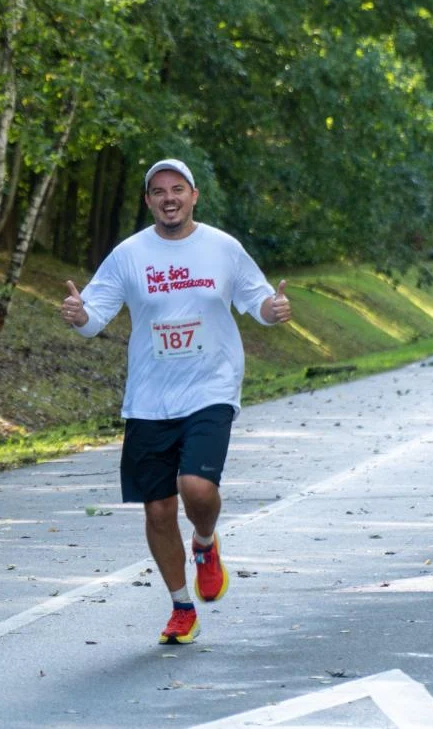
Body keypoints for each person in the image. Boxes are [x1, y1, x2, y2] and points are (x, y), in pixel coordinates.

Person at [59, 158, 292, 645]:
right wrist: (79, 315)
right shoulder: (129, 254)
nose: (169, 198)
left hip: (211, 387)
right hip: (150, 397)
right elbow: (93, 317)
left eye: (178, 189)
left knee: (197, 488)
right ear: (148, 201)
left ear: (193, 195)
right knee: (159, 511)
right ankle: (181, 607)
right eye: (159, 191)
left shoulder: (222, 248)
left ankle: (204, 543)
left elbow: (258, 301)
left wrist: (273, 309)